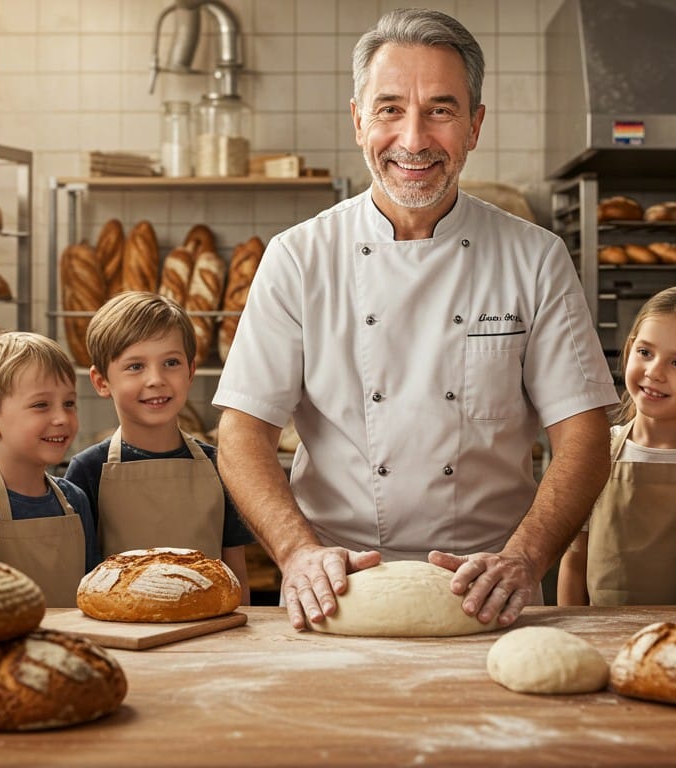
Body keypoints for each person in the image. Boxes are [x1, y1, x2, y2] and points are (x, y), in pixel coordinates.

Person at [212, 8, 616, 631]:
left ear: (475, 125)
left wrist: (525, 558)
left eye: (441, 110)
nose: (414, 139)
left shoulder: (535, 258)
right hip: (338, 589)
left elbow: (584, 436)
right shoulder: (299, 257)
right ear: (357, 119)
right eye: (390, 108)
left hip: (489, 593)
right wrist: (297, 554)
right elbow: (242, 435)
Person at [64, 291, 252, 603]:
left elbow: (236, 577)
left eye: (171, 362)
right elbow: (80, 579)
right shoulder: (87, 471)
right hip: (120, 636)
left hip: (207, 633)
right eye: (135, 366)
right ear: (101, 381)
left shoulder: (221, 466)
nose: (156, 379)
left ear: (190, 371)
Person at [557, 286, 676, 606]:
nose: (654, 372)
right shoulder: (598, 451)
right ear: (628, 351)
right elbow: (573, 561)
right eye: (645, 353)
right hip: (602, 637)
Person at [0, 331, 100, 607]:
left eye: (69, 403)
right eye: (41, 405)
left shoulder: (75, 500)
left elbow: (92, 596)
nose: (62, 418)